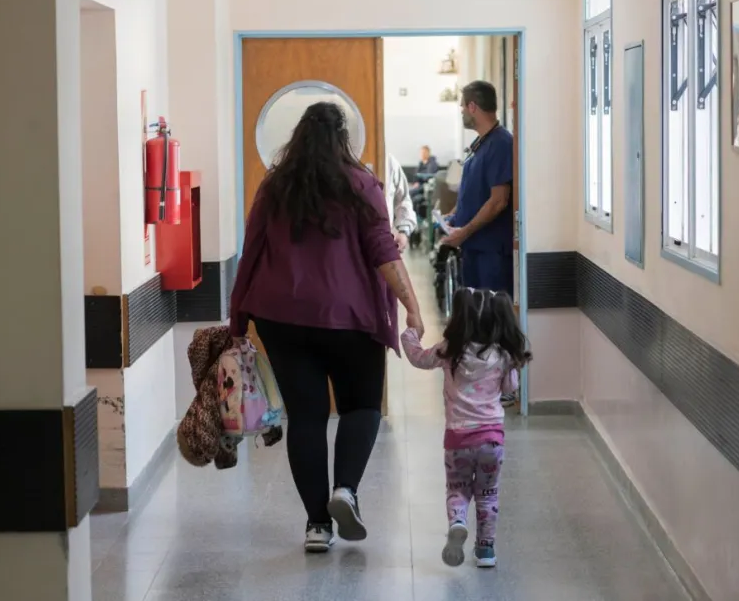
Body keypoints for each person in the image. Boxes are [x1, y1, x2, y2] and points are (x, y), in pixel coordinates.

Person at [228, 101, 425, 553]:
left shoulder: (276, 186)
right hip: (350, 318)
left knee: (308, 418)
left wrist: (237, 320)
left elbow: (251, 251)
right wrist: (411, 307)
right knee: (361, 408)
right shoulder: (361, 184)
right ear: (343, 140)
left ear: (298, 137)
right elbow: (383, 251)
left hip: (283, 321)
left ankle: (317, 526)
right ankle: (345, 490)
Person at [401, 288, 532, 569]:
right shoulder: (502, 355)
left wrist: (410, 333)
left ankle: (458, 521)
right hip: (491, 441)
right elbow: (511, 389)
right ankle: (486, 551)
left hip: (457, 439)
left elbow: (418, 358)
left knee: (458, 489)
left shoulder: (450, 350)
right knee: (488, 494)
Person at [441, 81, 514, 298]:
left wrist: (465, 231)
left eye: (463, 107)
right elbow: (475, 190)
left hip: (491, 254)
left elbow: (499, 200)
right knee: (475, 314)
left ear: (473, 107)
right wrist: (454, 214)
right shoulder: (481, 144)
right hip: (474, 248)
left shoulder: (501, 144)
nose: (462, 112)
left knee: (491, 314)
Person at [385, 153, 417, 252]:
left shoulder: (389, 162)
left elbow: (403, 200)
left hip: (383, 242)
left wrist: (403, 231)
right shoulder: (338, 163)